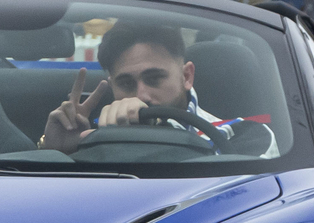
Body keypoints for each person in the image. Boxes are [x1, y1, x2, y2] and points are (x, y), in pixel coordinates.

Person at [41, 22, 241, 155]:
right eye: (126, 84)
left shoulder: (242, 134)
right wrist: (60, 153)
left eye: (154, 79)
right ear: (112, 87)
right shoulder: (92, 142)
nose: (141, 96)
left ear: (186, 76)